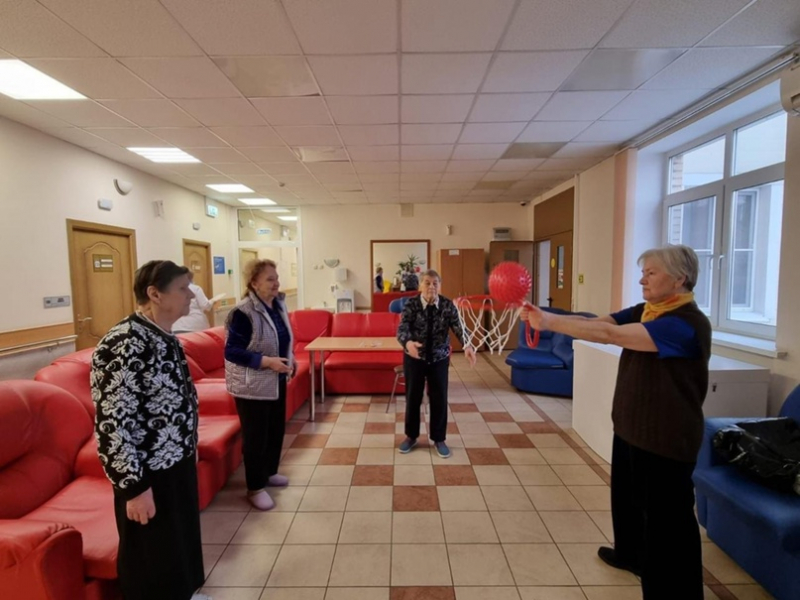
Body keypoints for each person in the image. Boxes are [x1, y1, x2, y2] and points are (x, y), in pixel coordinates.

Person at [520, 245, 710, 600]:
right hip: (631, 429)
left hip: (665, 438)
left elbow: (612, 336)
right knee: (627, 502)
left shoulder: (685, 325)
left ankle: (675, 591)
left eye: (651, 273)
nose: (642, 280)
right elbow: (599, 324)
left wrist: (549, 322)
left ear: (679, 279)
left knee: (667, 523)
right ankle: (630, 554)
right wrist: (547, 315)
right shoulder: (645, 311)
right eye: (643, 272)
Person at [91, 260, 210, 600]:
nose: (191, 296)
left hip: (176, 460)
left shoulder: (164, 336)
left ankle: (183, 593)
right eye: (183, 289)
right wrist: (133, 488)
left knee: (178, 540)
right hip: (148, 472)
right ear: (155, 294)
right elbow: (113, 423)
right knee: (150, 554)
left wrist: (188, 445)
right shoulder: (125, 342)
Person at [224, 259, 295, 511]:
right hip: (252, 386)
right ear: (254, 283)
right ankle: (255, 487)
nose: (276, 283)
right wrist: (267, 362)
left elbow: (282, 339)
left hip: (276, 380)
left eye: (277, 278)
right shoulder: (243, 312)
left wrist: (290, 360)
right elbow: (232, 351)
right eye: (270, 279)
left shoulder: (277, 305)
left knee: (275, 430)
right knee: (256, 437)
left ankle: (269, 472)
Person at [396, 269, 477, 458]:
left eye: (435, 283)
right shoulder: (411, 305)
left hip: (439, 359)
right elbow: (402, 328)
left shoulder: (447, 305)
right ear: (420, 286)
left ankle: (439, 438)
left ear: (440, 286)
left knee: (439, 398)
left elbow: (459, 327)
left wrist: (467, 345)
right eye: (427, 283)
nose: (431, 287)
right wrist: (408, 343)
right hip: (414, 358)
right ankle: (411, 436)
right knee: (413, 398)